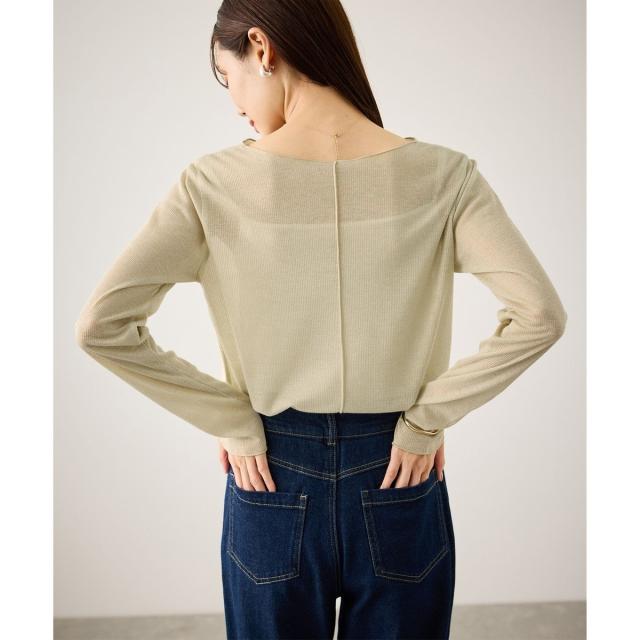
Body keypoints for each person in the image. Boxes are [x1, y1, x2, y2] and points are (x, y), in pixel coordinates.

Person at [74, 1, 567, 638]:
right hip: (399, 467)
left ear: (261, 48)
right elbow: (540, 315)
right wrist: (427, 419)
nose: (236, 105)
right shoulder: (447, 176)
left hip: (270, 471)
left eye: (228, 78)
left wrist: (230, 419)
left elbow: (102, 326)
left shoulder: (212, 183)